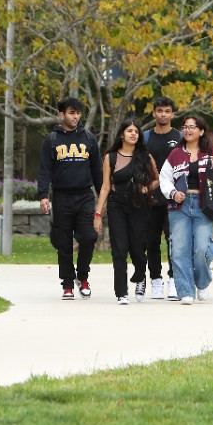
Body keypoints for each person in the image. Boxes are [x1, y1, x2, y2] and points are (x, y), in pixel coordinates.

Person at [158, 113, 213, 305]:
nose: (188, 130)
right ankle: (186, 291)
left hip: (202, 205)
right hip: (179, 206)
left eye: (192, 127)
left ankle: (202, 281)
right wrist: (173, 193)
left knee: (201, 249)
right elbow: (164, 178)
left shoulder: (210, 152)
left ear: (201, 131)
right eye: (185, 127)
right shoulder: (175, 153)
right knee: (179, 249)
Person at [38, 96, 102, 300]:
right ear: (61, 115)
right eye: (71, 113)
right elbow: (44, 170)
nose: (75, 117)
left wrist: (103, 196)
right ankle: (67, 283)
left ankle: (82, 277)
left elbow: (97, 170)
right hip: (61, 197)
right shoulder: (52, 140)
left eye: (77, 113)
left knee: (89, 237)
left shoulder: (88, 138)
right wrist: (43, 195)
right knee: (63, 242)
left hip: (84, 196)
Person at [95, 119, 157, 304]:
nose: (133, 134)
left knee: (138, 248)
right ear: (122, 134)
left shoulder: (145, 156)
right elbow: (105, 187)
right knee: (119, 249)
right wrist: (98, 214)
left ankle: (140, 277)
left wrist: (147, 188)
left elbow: (157, 178)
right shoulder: (110, 157)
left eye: (136, 131)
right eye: (129, 131)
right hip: (117, 206)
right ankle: (121, 292)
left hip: (139, 205)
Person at [141, 96, 181, 300]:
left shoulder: (181, 137)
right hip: (150, 198)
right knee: (151, 242)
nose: (163, 114)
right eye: (160, 111)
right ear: (153, 113)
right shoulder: (145, 137)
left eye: (167, 111)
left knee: (174, 241)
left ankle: (174, 281)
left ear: (172, 113)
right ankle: (155, 281)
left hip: (174, 199)